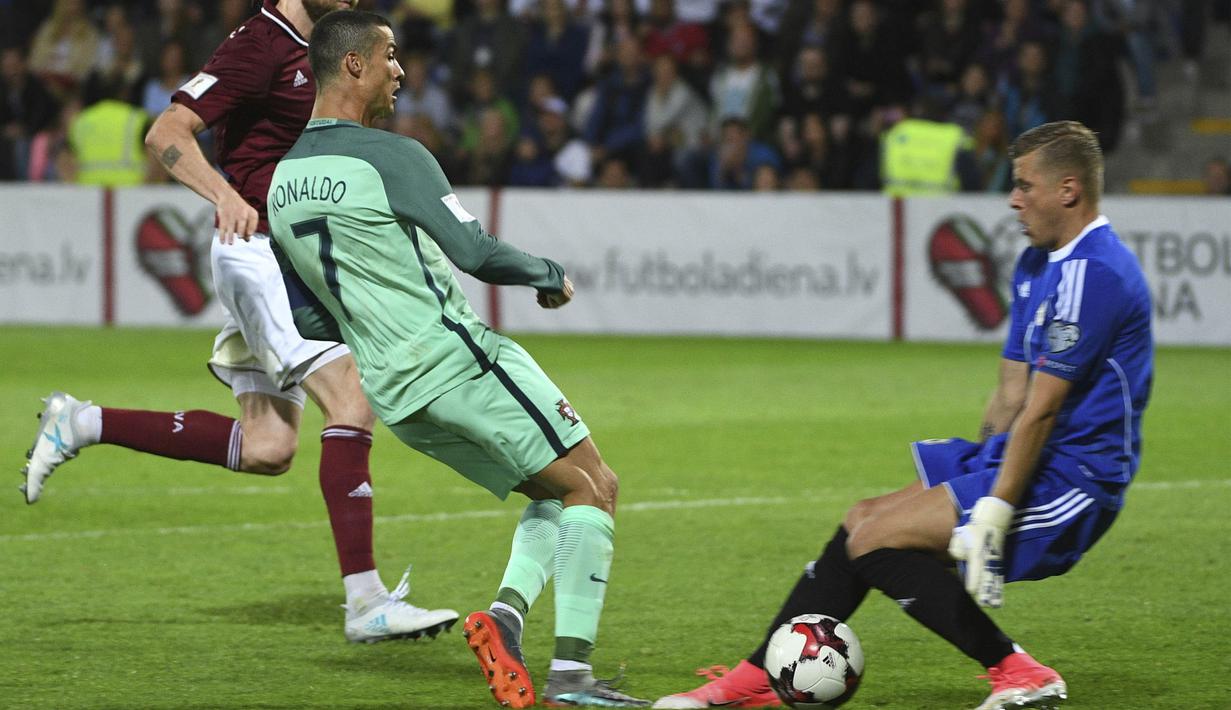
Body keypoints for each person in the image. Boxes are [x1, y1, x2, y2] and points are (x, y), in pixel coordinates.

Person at [653, 120, 1153, 710]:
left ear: (1068, 190)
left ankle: (1020, 671)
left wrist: (992, 509)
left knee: (878, 543)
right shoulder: (1035, 265)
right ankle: (756, 678)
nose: (1013, 199)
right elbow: (1010, 395)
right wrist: (972, 478)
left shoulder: (1094, 274)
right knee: (861, 521)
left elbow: (1043, 412)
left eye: (1024, 186)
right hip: (1022, 459)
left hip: (1074, 481)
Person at [21, 0, 458, 645]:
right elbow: (166, 132)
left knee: (267, 449)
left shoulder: (330, 43)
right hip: (259, 254)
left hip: (289, 256)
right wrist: (224, 194)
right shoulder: (260, 44)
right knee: (352, 400)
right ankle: (366, 601)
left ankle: (80, 421)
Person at [267, 11, 649, 707]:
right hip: (459, 361)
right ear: (353, 65)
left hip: (399, 397)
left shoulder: (282, 183)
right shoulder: (391, 156)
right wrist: (548, 273)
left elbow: (308, 316)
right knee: (595, 487)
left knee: (552, 491)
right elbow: (474, 252)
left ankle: (503, 621)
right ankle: (572, 679)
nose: (401, 70)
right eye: (389, 55)